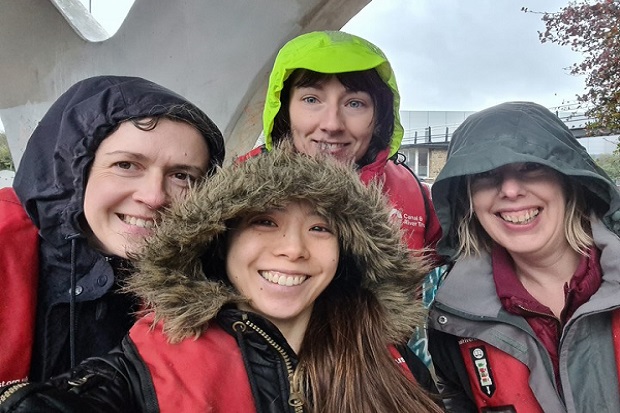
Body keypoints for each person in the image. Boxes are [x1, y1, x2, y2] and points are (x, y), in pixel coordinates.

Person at [0, 144, 443, 413]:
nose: (293, 248)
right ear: (220, 242)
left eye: (320, 227)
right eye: (265, 222)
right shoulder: (149, 359)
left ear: (346, 253)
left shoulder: (391, 359)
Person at [0, 75, 225, 385]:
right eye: (127, 165)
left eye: (182, 176)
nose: (155, 196)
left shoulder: (205, 277)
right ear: (72, 170)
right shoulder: (6, 249)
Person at [427, 101, 620, 412]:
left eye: (531, 166)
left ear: (567, 179)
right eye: (486, 173)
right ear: (468, 199)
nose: (511, 190)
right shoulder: (451, 322)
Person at [242, 30, 442, 256]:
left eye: (354, 103)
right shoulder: (237, 188)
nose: (332, 124)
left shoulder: (414, 196)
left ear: (380, 116)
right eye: (311, 99)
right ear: (283, 110)